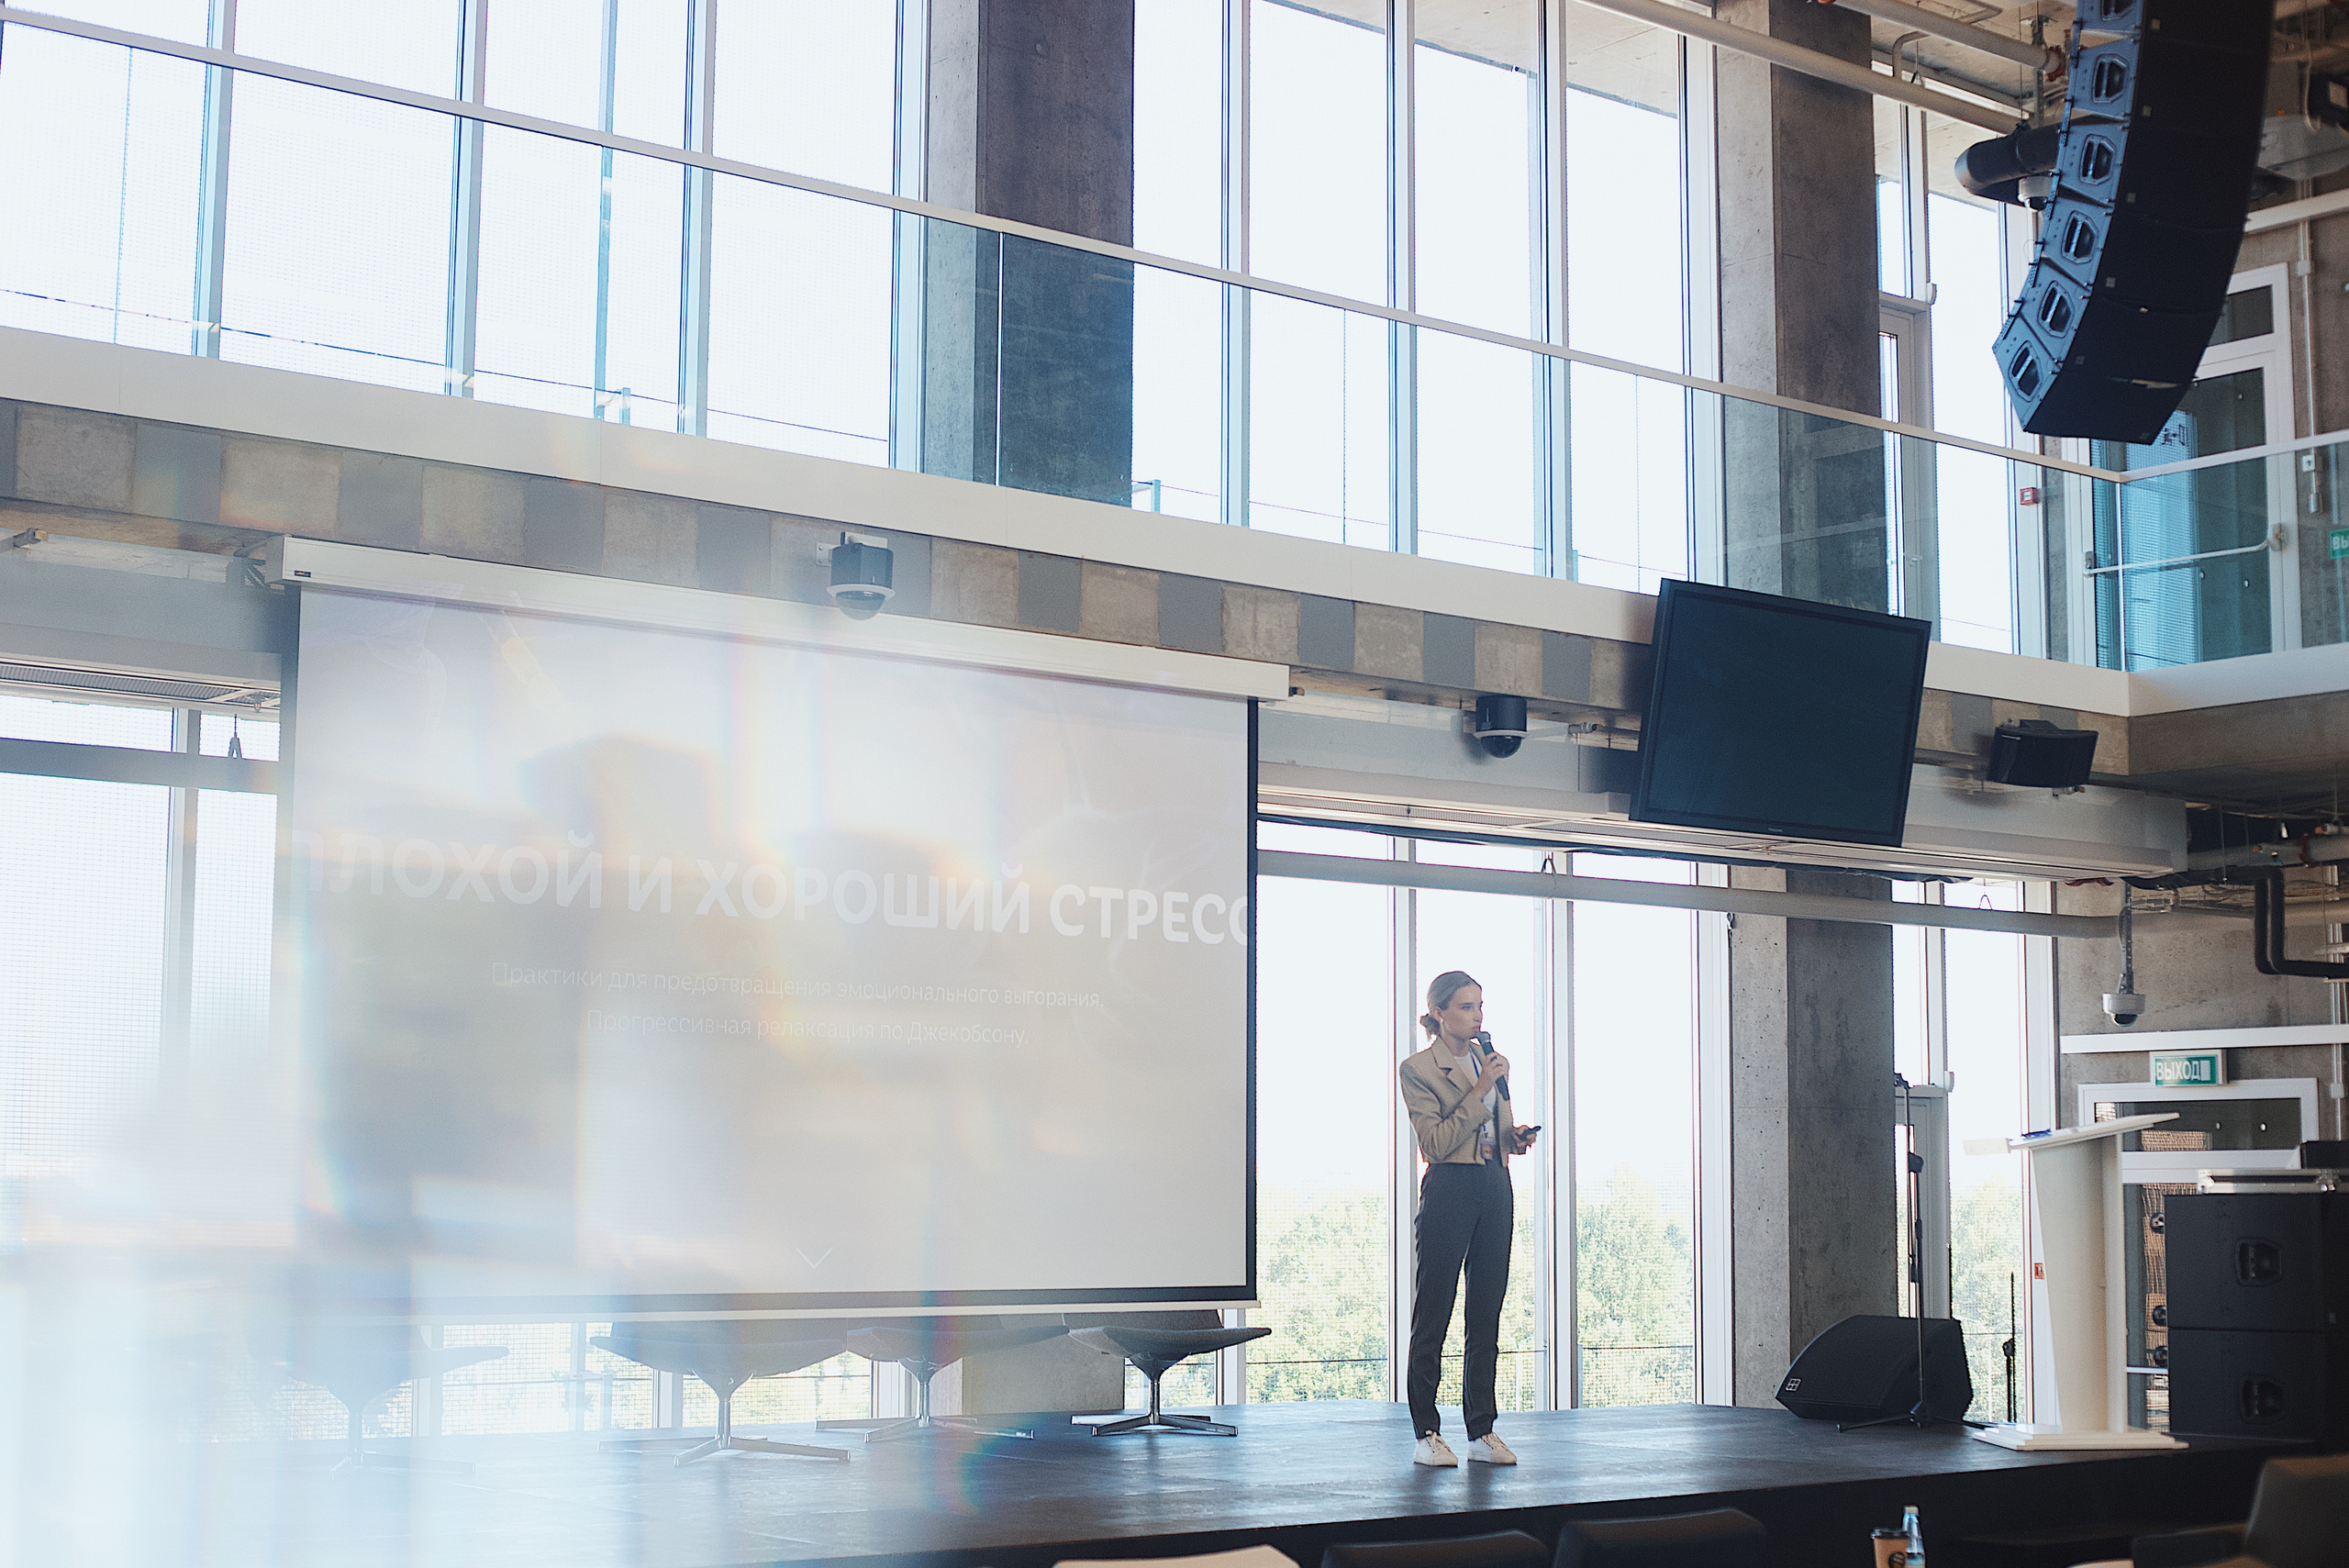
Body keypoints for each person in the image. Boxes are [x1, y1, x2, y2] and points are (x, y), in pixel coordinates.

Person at [1397, 969, 1538, 1468]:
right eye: (1465, 1007)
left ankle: (1482, 1430)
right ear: (1438, 1013)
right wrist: (1480, 1088)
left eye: (1480, 1007)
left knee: (1487, 1312)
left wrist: (1513, 1137)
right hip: (1449, 1188)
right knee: (1433, 1311)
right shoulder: (1418, 1068)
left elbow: (1489, 1127)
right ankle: (1427, 1430)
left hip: (1494, 1186)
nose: (1477, 1016)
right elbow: (1434, 1143)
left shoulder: (1491, 1063)